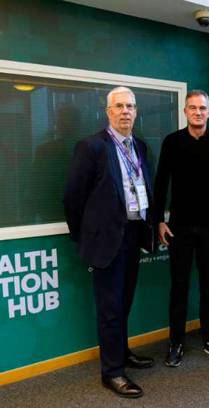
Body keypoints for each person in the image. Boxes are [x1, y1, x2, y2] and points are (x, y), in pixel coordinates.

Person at [63, 86, 155, 399]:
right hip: (106, 241)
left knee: (124, 302)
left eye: (130, 106)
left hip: (133, 234)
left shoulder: (140, 146)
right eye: (119, 106)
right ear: (108, 112)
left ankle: (122, 352)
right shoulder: (91, 147)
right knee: (109, 308)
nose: (125, 111)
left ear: (136, 111)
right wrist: (85, 236)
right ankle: (112, 372)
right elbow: (72, 198)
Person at [154, 89, 209, 367]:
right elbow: (160, 183)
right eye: (193, 108)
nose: (198, 112)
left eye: (202, 108)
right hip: (178, 228)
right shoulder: (172, 142)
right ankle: (175, 343)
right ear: (185, 112)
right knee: (178, 287)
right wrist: (159, 221)